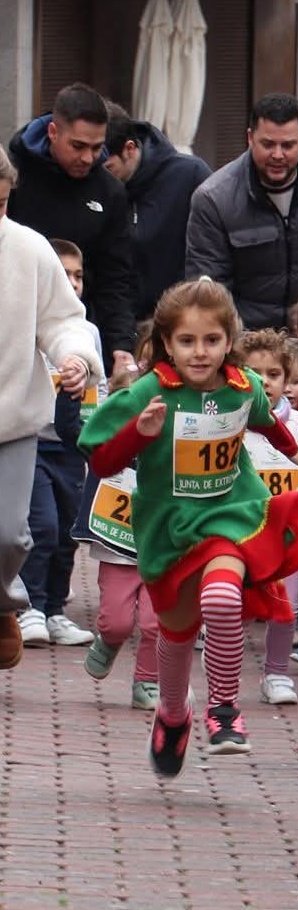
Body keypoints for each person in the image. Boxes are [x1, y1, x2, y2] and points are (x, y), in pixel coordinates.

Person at [77, 277, 298, 777]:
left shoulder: (240, 385)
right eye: (187, 341)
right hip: (169, 528)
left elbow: (264, 417)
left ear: (228, 341)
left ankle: (224, 708)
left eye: (211, 340)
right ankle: (172, 714)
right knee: (178, 632)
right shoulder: (150, 391)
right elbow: (101, 461)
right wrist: (135, 434)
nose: (200, 352)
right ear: (167, 343)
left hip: (230, 515)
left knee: (223, 600)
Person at [0, 142, 104, 670]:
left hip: (14, 417)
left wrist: (76, 357)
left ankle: (3, 603)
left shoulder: (29, 248)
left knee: (10, 535)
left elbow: (64, 320)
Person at [185, 93, 298, 330]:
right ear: (250, 138)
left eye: (288, 145)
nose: (277, 155)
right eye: (268, 144)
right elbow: (209, 287)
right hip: (249, 339)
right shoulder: (213, 198)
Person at [7, 82, 136, 359]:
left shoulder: (110, 192)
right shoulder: (16, 179)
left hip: (77, 331)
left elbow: (115, 279)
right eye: (78, 146)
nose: (88, 157)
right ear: (53, 132)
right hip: (14, 324)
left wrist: (121, 345)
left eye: (97, 147)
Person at [18, 239, 101, 649]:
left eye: (78, 275)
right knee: (42, 526)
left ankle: (55, 610)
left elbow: (97, 388)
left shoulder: (87, 333)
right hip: (33, 439)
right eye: (63, 274)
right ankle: (30, 606)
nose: (71, 283)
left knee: (69, 529)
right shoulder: (29, 322)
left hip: (72, 446)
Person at [76, 335, 159, 710]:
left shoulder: (193, 410)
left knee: (159, 623)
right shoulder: (123, 404)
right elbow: (87, 442)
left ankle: (147, 682)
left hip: (165, 538)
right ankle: (107, 641)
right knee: (117, 621)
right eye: (148, 363)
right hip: (120, 536)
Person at [239, 329, 298, 705]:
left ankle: (277, 674)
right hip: (241, 534)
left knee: (286, 607)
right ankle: (226, 676)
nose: (264, 383)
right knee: (233, 608)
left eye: (273, 374)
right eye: (254, 373)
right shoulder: (231, 421)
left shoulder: (297, 425)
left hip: (284, 536)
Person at [103, 103, 212, 319]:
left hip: (177, 320)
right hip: (117, 321)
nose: (101, 176)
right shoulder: (98, 186)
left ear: (130, 149)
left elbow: (210, 252)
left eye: (108, 168)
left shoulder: (189, 175)